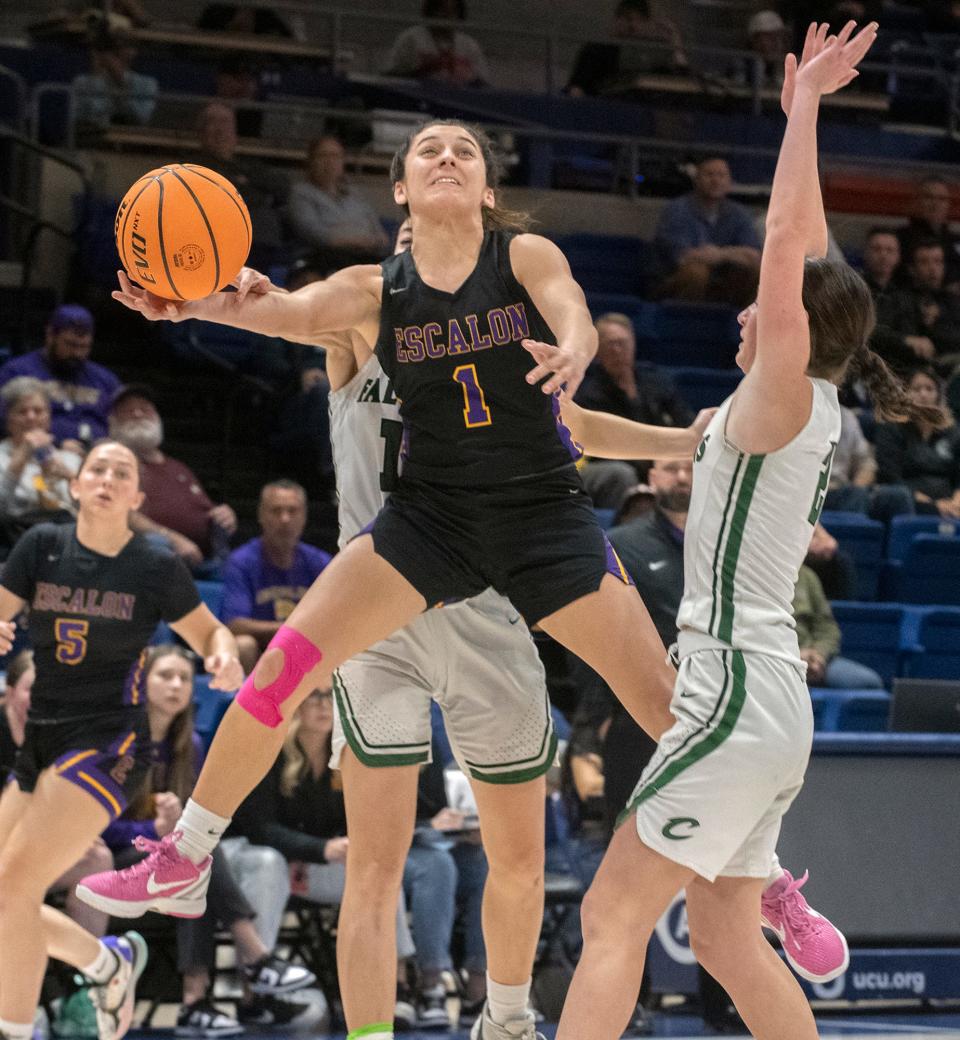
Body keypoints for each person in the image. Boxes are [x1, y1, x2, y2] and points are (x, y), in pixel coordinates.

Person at [83, 115, 839, 1040]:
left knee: (673, 711)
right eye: (426, 152)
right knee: (284, 665)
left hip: (540, 517)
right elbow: (279, 309)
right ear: (399, 191)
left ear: (485, 189)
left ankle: (766, 882)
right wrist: (188, 304)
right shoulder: (372, 291)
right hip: (428, 517)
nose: (446, 157)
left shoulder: (522, 256)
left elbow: (566, 303)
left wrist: (575, 349)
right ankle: (186, 856)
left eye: (465, 152)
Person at [552, 23, 941, 1040]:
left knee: (610, 911)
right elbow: (804, 247)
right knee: (724, 942)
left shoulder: (782, 394)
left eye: (766, 309)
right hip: (762, 700)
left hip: (730, 688)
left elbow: (782, 246)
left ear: (792, 329)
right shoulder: (773, 409)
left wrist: (808, 106)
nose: (744, 312)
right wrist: (795, 116)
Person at [0, 439, 245, 1040]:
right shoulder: (41, 547)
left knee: (15, 885)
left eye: (122, 472)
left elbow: (212, 634)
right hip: (42, 736)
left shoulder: (155, 564)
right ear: (77, 487)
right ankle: (107, 964)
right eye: (96, 470)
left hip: (111, 742)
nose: (108, 478)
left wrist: (222, 658)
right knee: (6, 899)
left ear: (136, 497)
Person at [103, 644, 313, 1035]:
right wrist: (152, 831)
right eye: (165, 676)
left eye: (184, 678)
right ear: (141, 683)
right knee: (192, 856)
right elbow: (97, 827)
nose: (176, 685)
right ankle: (253, 957)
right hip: (113, 862)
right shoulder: (117, 744)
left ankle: (197, 1003)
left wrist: (171, 834)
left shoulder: (191, 746)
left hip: (170, 862)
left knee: (192, 866)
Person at [229, 687, 422, 1028]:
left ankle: (398, 983)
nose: (323, 706)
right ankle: (256, 990)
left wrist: (350, 845)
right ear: (296, 706)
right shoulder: (271, 751)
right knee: (268, 864)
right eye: (313, 698)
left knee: (376, 872)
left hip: (309, 865)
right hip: (254, 856)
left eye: (330, 698)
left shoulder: (346, 757)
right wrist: (319, 849)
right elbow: (259, 828)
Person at [0, 649, 115, 942]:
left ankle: (91, 981)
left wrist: (75, 835)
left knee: (96, 858)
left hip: (30, 851)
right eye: (32, 690)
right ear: (10, 692)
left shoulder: (68, 739)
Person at [108, 383, 237, 570]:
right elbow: (121, 513)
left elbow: (204, 510)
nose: (138, 414)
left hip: (206, 559)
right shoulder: (113, 463)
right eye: (129, 411)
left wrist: (224, 514)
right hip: (149, 557)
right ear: (113, 422)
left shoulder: (178, 467)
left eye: (145, 409)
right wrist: (172, 539)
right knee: (157, 545)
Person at [575, 312, 693, 509]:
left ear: (634, 343)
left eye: (622, 342)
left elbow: (686, 422)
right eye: (610, 344)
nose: (617, 350)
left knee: (688, 465)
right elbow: (599, 447)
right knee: (621, 473)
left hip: (662, 457)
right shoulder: (587, 393)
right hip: (619, 464)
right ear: (596, 350)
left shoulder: (657, 381)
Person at [220, 480, 332, 674]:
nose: (285, 519)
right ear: (261, 515)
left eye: (292, 511)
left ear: (304, 516)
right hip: (262, 650)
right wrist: (289, 630)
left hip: (307, 648)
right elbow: (234, 624)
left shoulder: (320, 562)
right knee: (242, 645)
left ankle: (326, 703)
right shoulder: (242, 561)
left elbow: (334, 617)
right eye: (276, 511)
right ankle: (242, 703)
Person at [0, 305, 120, 444]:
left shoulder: (105, 379)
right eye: (70, 345)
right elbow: (5, 421)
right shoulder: (18, 371)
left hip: (97, 455)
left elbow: (121, 423)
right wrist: (56, 443)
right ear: (50, 335)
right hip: (37, 453)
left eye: (84, 346)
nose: (77, 353)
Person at [653, 156, 762, 306]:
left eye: (721, 176)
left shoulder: (739, 213)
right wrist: (731, 254)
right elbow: (683, 257)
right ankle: (686, 323)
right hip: (675, 281)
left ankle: (741, 325)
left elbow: (753, 256)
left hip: (724, 282)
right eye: (709, 175)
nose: (716, 181)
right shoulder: (677, 210)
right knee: (696, 273)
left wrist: (720, 254)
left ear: (729, 182)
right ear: (696, 179)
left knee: (757, 272)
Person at [194, 102, 289, 269]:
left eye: (226, 123)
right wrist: (257, 193)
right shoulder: (192, 167)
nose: (220, 130)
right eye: (213, 122)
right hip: (220, 243)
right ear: (201, 133)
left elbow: (283, 188)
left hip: (264, 241)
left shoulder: (251, 165)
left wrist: (244, 183)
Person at [285, 135, 390, 268]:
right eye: (323, 155)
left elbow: (382, 236)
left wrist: (369, 242)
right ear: (311, 161)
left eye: (335, 156)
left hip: (368, 258)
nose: (330, 162)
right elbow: (318, 236)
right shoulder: (301, 193)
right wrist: (361, 240)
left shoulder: (355, 194)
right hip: (325, 260)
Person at [0, 378, 83, 537]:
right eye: (22, 411)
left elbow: (95, 510)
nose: (31, 417)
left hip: (69, 539)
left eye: (38, 411)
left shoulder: (70, 459)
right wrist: (17, 464)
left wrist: (69, 477)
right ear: (8, 421)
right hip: (14, 540)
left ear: (48, 419)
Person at [875, 365, 960, 518]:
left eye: (929, 389)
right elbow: (890, 476)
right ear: (905, 394)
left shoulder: (953, 432)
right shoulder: (891, 428)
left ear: (939, 395)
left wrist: (956, 502)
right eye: (916, 389)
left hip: (950, 503)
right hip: (909, 500)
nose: (923, 394)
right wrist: (932, 505)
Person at [565, 0, 686, 97]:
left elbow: (681, 82)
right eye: (628, 19)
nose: (633, 25)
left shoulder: (653, 55)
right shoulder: (596, 50)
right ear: (617, 20)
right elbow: (576, 88)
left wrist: (676, 44)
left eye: (641, 20)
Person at [793, 566, 883, 689]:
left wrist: (819, 655)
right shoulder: (758, 576)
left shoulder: (806, 575)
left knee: (869, 683)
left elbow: (828, 629)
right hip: (775, 657)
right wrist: (795, 655)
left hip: (811, 657)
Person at [822, 402, 914, 522]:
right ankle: (851, 538)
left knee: (898, 497)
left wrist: (857, 485)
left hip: (843, 490)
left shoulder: (847, 417)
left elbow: (866, 463)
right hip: (813, 492)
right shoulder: (802, 412)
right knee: (856, 496)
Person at [386, 0, 490, 88]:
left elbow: (484, 85)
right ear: (431, 11)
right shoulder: (411, 38)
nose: (447, 16)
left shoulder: (468, 45)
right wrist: (424, 70)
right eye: (441, 10)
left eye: (453, 11)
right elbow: (389, 77)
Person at [72, 32, 157, 135]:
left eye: (124, 46)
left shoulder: (147, 83)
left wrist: (120, 81)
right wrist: (96, 76)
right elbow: (81, 117)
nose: (117, 52)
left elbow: (141, 118)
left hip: (131, 140)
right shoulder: (82, 81)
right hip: (91, 139)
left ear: (134, 51)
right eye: (112, 47)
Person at [896, 175, 960, 291]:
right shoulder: (899, 239)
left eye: (942, 199)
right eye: (929, 197)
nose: (935, 204)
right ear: (916, 201)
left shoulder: (956, 240)